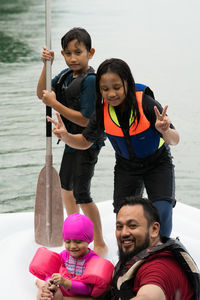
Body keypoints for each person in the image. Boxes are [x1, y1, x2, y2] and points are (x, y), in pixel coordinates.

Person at [46, 58, 180, 237]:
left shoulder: (147, 104)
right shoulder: (102, 111)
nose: (111, 94)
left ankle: (162, 253)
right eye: (105, 89)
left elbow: (175, 140)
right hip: (127, 167)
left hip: (157, 163)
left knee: (162, 212)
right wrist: (66, 136)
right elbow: (85, 141)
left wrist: (165, 130)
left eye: (117, 87)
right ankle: (131, 258)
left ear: (127, 83)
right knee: (124, 218)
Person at [36, 27, 107, 256]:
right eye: (68, 53)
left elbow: (86, 119)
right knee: (66, 188)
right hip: (69, 142)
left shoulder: (90, 81)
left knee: (82, 195)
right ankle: (75, 235)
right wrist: (46, 66)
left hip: (86, 144)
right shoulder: (66, 76)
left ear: (90, 52)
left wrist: (55, 105)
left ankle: (99, 243)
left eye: (78, 52)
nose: (73, 58)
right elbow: (42, 93)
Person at [110, 196, 199, 299]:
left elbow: (148, 296)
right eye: (119, 227)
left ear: (154, 229)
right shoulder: (137, 259)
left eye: (132, 226)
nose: (124, 233)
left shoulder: (160, 268)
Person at [30, 213, 114, 300]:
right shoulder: (64, 255)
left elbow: (88, 289)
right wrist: (49, 281)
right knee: (44, 290)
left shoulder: (93, 260)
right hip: (62, 289)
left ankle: (42, 285)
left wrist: (66, 282)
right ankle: (41, 284)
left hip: (79, 295)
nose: (72, 246)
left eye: (78, 242)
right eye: (68, 241)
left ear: (88, 241)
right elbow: (53, 273)